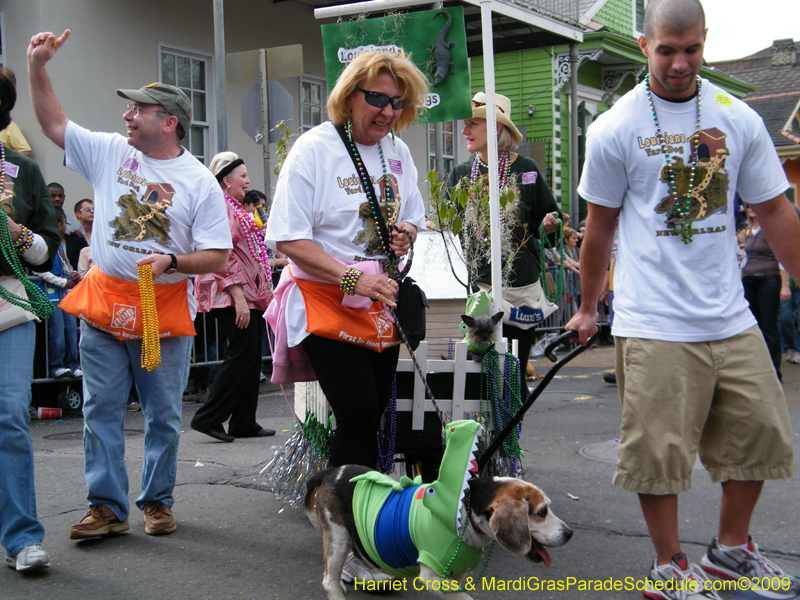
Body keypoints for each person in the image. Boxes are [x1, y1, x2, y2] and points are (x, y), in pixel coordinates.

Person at [567, 1, 800, 598]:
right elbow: (600, 228)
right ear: (645, 46)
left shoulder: (735, 117)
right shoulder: (615, 127)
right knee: (659, 454)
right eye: (667, 50)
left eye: (691, 49)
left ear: (705, 44)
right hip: (655, 320)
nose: (679, 62)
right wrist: (590, 307)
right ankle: (671, 565)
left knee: (760, 432)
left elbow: (774, 207)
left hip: (730, 315)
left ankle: (730, 552)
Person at [28, 29, 232, 539]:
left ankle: (157, 501)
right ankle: (106, 507)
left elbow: (218, 254)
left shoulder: (199, 181)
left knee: (162, 415)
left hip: (159, 306)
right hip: (104, 300)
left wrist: (173, 260)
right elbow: (53, 122)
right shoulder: (109, 152)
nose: (126, 116)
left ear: (168, 121)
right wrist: (37, 65)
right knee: (100, 410)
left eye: (137, 110)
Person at [265, 49, 427, 469]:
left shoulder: (399, 152)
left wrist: (405, 234)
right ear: (350, 96)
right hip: (325, 297)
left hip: (380, 300)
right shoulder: (314, 149)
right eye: (377, 98)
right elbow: (288, 237)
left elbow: (414, 213)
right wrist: (352, 279)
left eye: (397, 102)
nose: (388, 112)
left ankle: (352, 509)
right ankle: (345, 521)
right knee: (356, 415)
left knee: (369, 416)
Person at [445, 92, 561, 392]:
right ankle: (486, 439)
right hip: (480, 287)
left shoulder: (527, 170)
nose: (464, 130)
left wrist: (549, 225)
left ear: (495, 128)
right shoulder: (460, 174)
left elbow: (547, 226)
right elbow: (443, 223)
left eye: (472, 123)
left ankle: (512, 439)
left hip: (521, 291)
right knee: (482, 378)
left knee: (514, 377)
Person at [0, 66, 60, 573]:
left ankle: (22, 538)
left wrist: (15, 231)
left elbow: (46, 251)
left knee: (9, 419)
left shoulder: (21, 170)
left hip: (9, 307)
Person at [190, 153, 274, 442]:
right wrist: (238, 296)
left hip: (244, 294)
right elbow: (222, 256)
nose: (248, 181)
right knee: (242, 353)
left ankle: (243, 422)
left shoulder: (236, 208)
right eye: (242, 176)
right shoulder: (222, 208)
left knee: (249, 356)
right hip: (227, 293)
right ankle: (208, 417)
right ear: (226, 181)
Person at [740, 203, 787, 380]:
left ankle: (775, 373)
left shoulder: (770, 229)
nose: (751, 209)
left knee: (769, 326)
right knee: (754, 327)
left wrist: (785, 285)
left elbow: (781, 257)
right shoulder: (748, 230)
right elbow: (744, 257)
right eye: (748, 206)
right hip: (749, 281)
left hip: (768, 280)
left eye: (754, 206)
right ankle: (757, 370)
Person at [33, 210, 82, 378]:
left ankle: (72, 364)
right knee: (57, 331)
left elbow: (65, 266)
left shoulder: (59, 246)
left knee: (70, 330)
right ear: (57, 224)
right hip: (50, 295)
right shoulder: (42, 244)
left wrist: (73, 273)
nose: (64, 227)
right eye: (62, 223)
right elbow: (37, 269)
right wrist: (61, 281)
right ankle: (56, 365)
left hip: (64, 295)